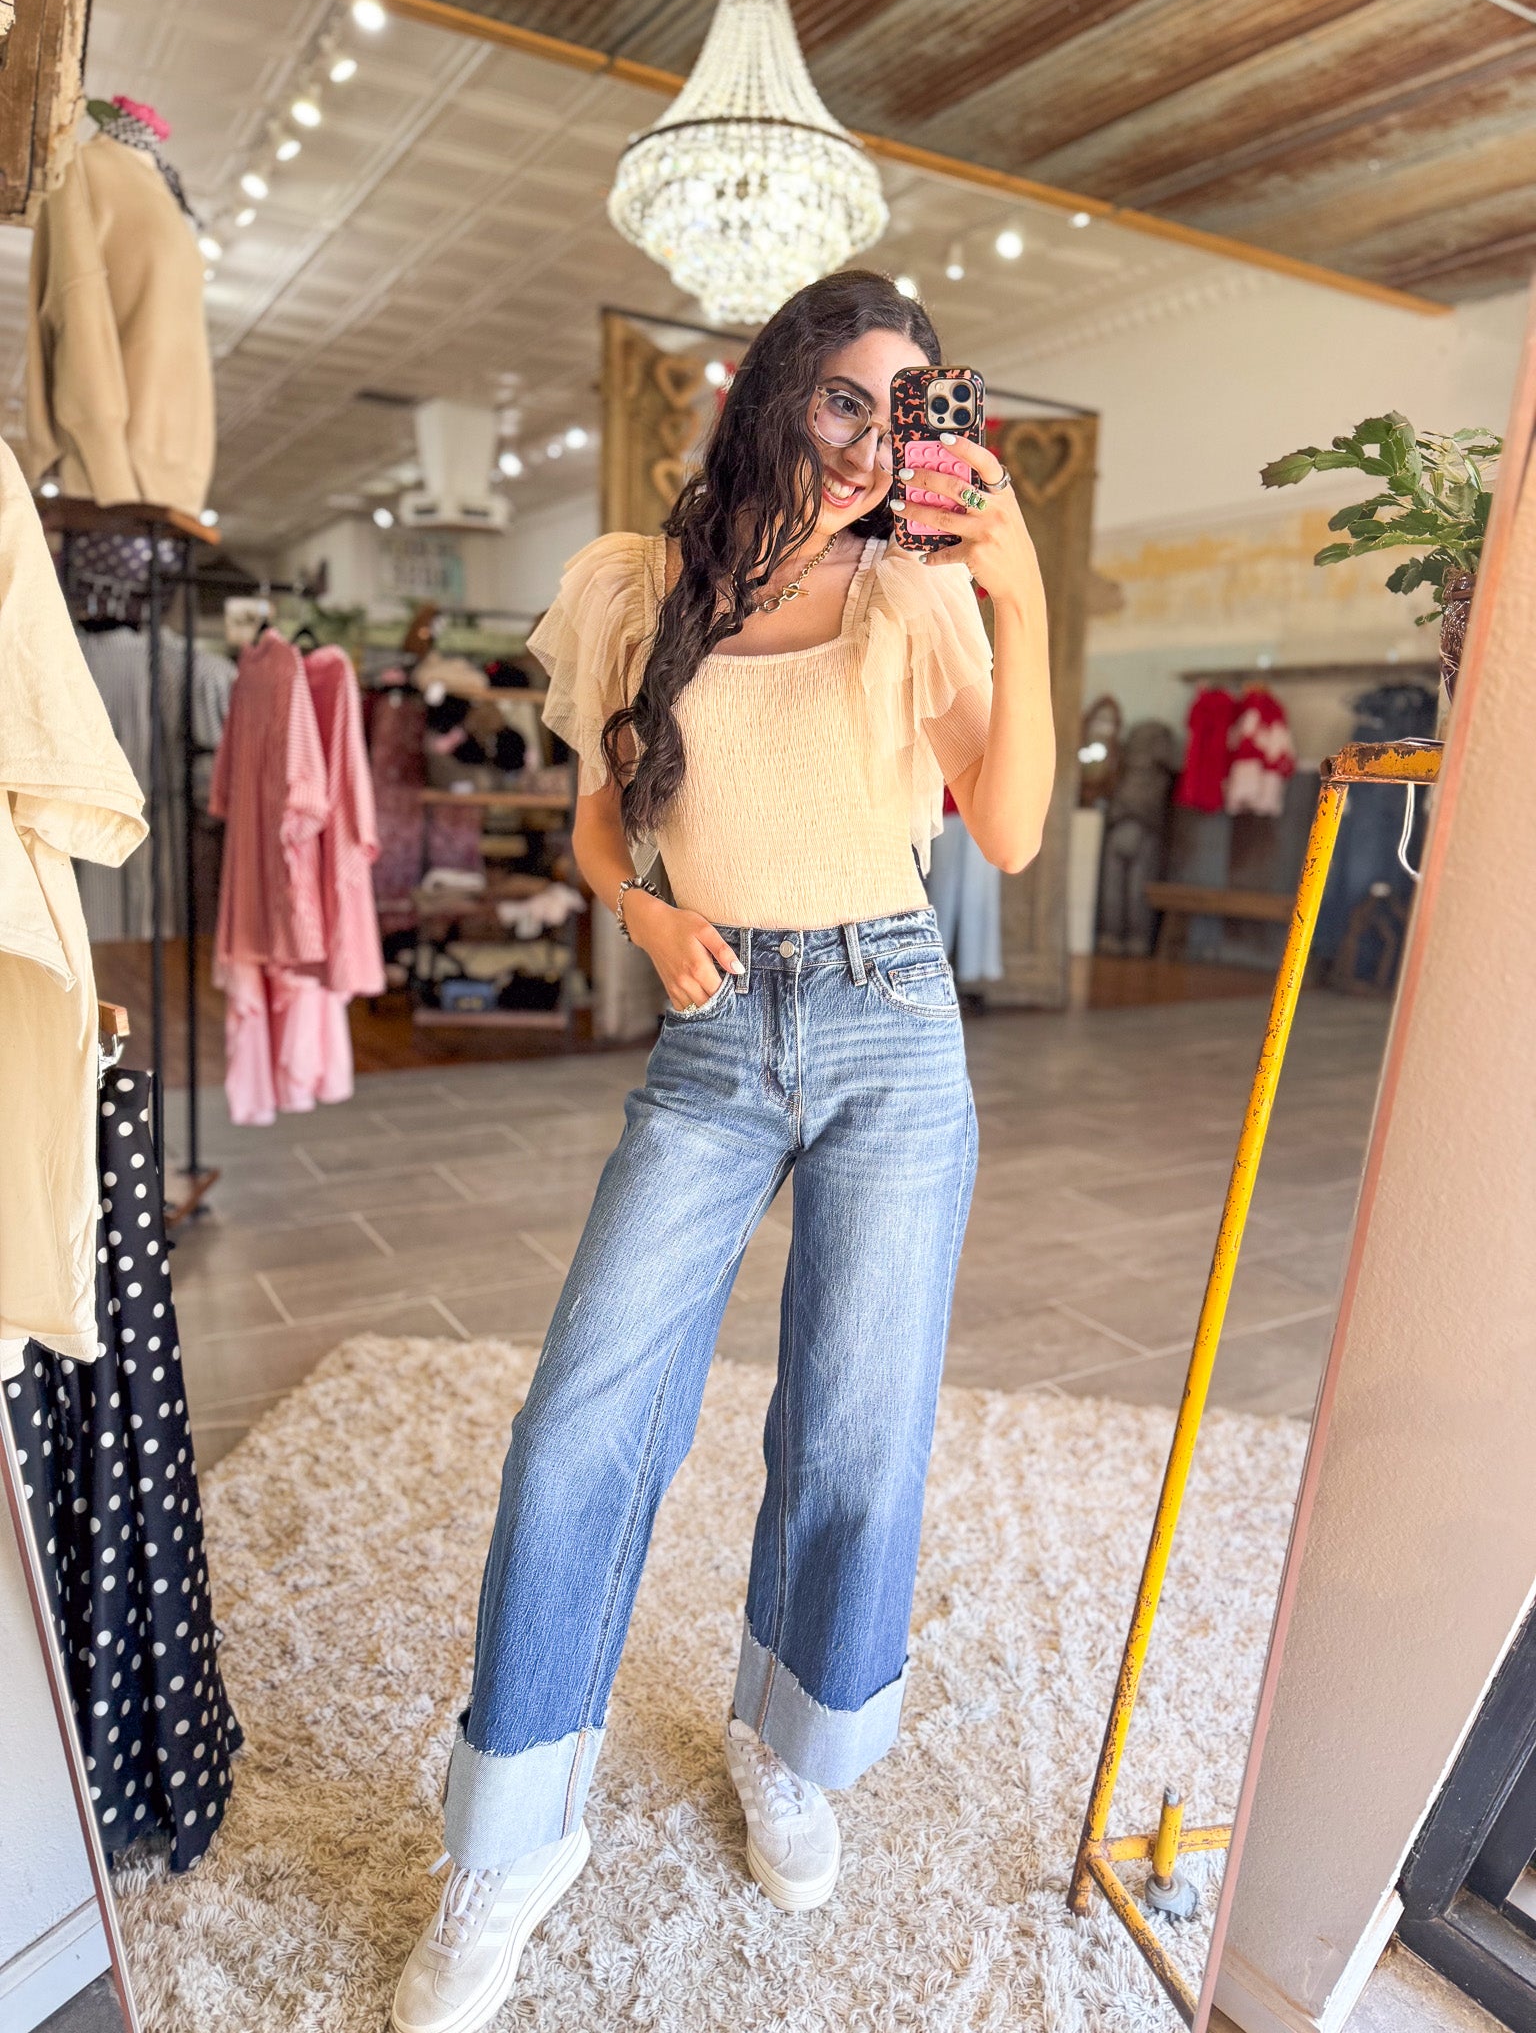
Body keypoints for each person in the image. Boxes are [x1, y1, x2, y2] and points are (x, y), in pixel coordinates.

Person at [391, 269, 1055, 2033]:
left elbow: (1007, 826)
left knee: (855, 1429)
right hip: (710, 1032)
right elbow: (603, 820)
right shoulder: (638, 583)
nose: (868, 442)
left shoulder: (914, 592)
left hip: (889, 1017)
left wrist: (1017, 587)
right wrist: (645, 909)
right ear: (774, 391)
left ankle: (792, 1744)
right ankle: (515, 1831)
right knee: (581, 1416)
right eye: (843, 398)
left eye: (905, 413)